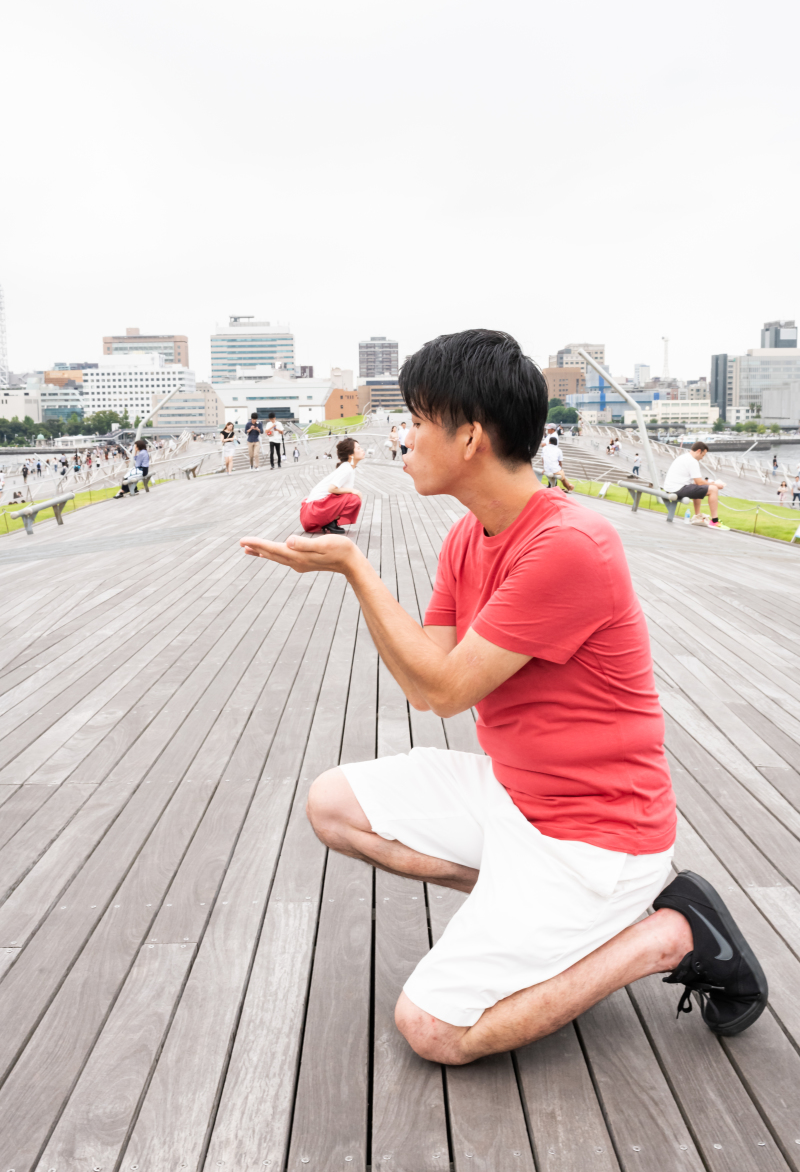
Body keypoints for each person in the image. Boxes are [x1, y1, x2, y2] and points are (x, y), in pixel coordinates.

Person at [240, 328, 767, 1065]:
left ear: (471, 439)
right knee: (333, 803)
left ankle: (664, 933)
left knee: (434, 1030)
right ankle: (549, 915)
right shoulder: (470, 536)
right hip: (519, 798)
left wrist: (356, 569)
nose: (405, 436)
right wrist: (354, 573)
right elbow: (429, 679)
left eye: (419, 421)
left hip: (595, 835)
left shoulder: (569, 547)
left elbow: (443, 689)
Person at [297, 437, 364, 534]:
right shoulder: (346, 469)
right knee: (354, 498)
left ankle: (330, 521)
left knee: (351, 497)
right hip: (313, 511)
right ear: (351, 455)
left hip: (312, 512)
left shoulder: (348, 468)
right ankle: (329, 521)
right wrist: (354, 491)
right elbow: (332, 488)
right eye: (358, 448)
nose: (362, 450)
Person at [662, 441, 728, 530]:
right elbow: (699, 482)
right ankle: (715, 521)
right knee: (713, 489)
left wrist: (710, 483)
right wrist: (715, 484)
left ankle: (697, 516)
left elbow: (697, 483)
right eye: (703, 455)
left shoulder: (684, 457)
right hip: (677, 488)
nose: (702, 458)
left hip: (672, 487)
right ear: (699, 451)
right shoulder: (692, 461)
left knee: (699, 488)